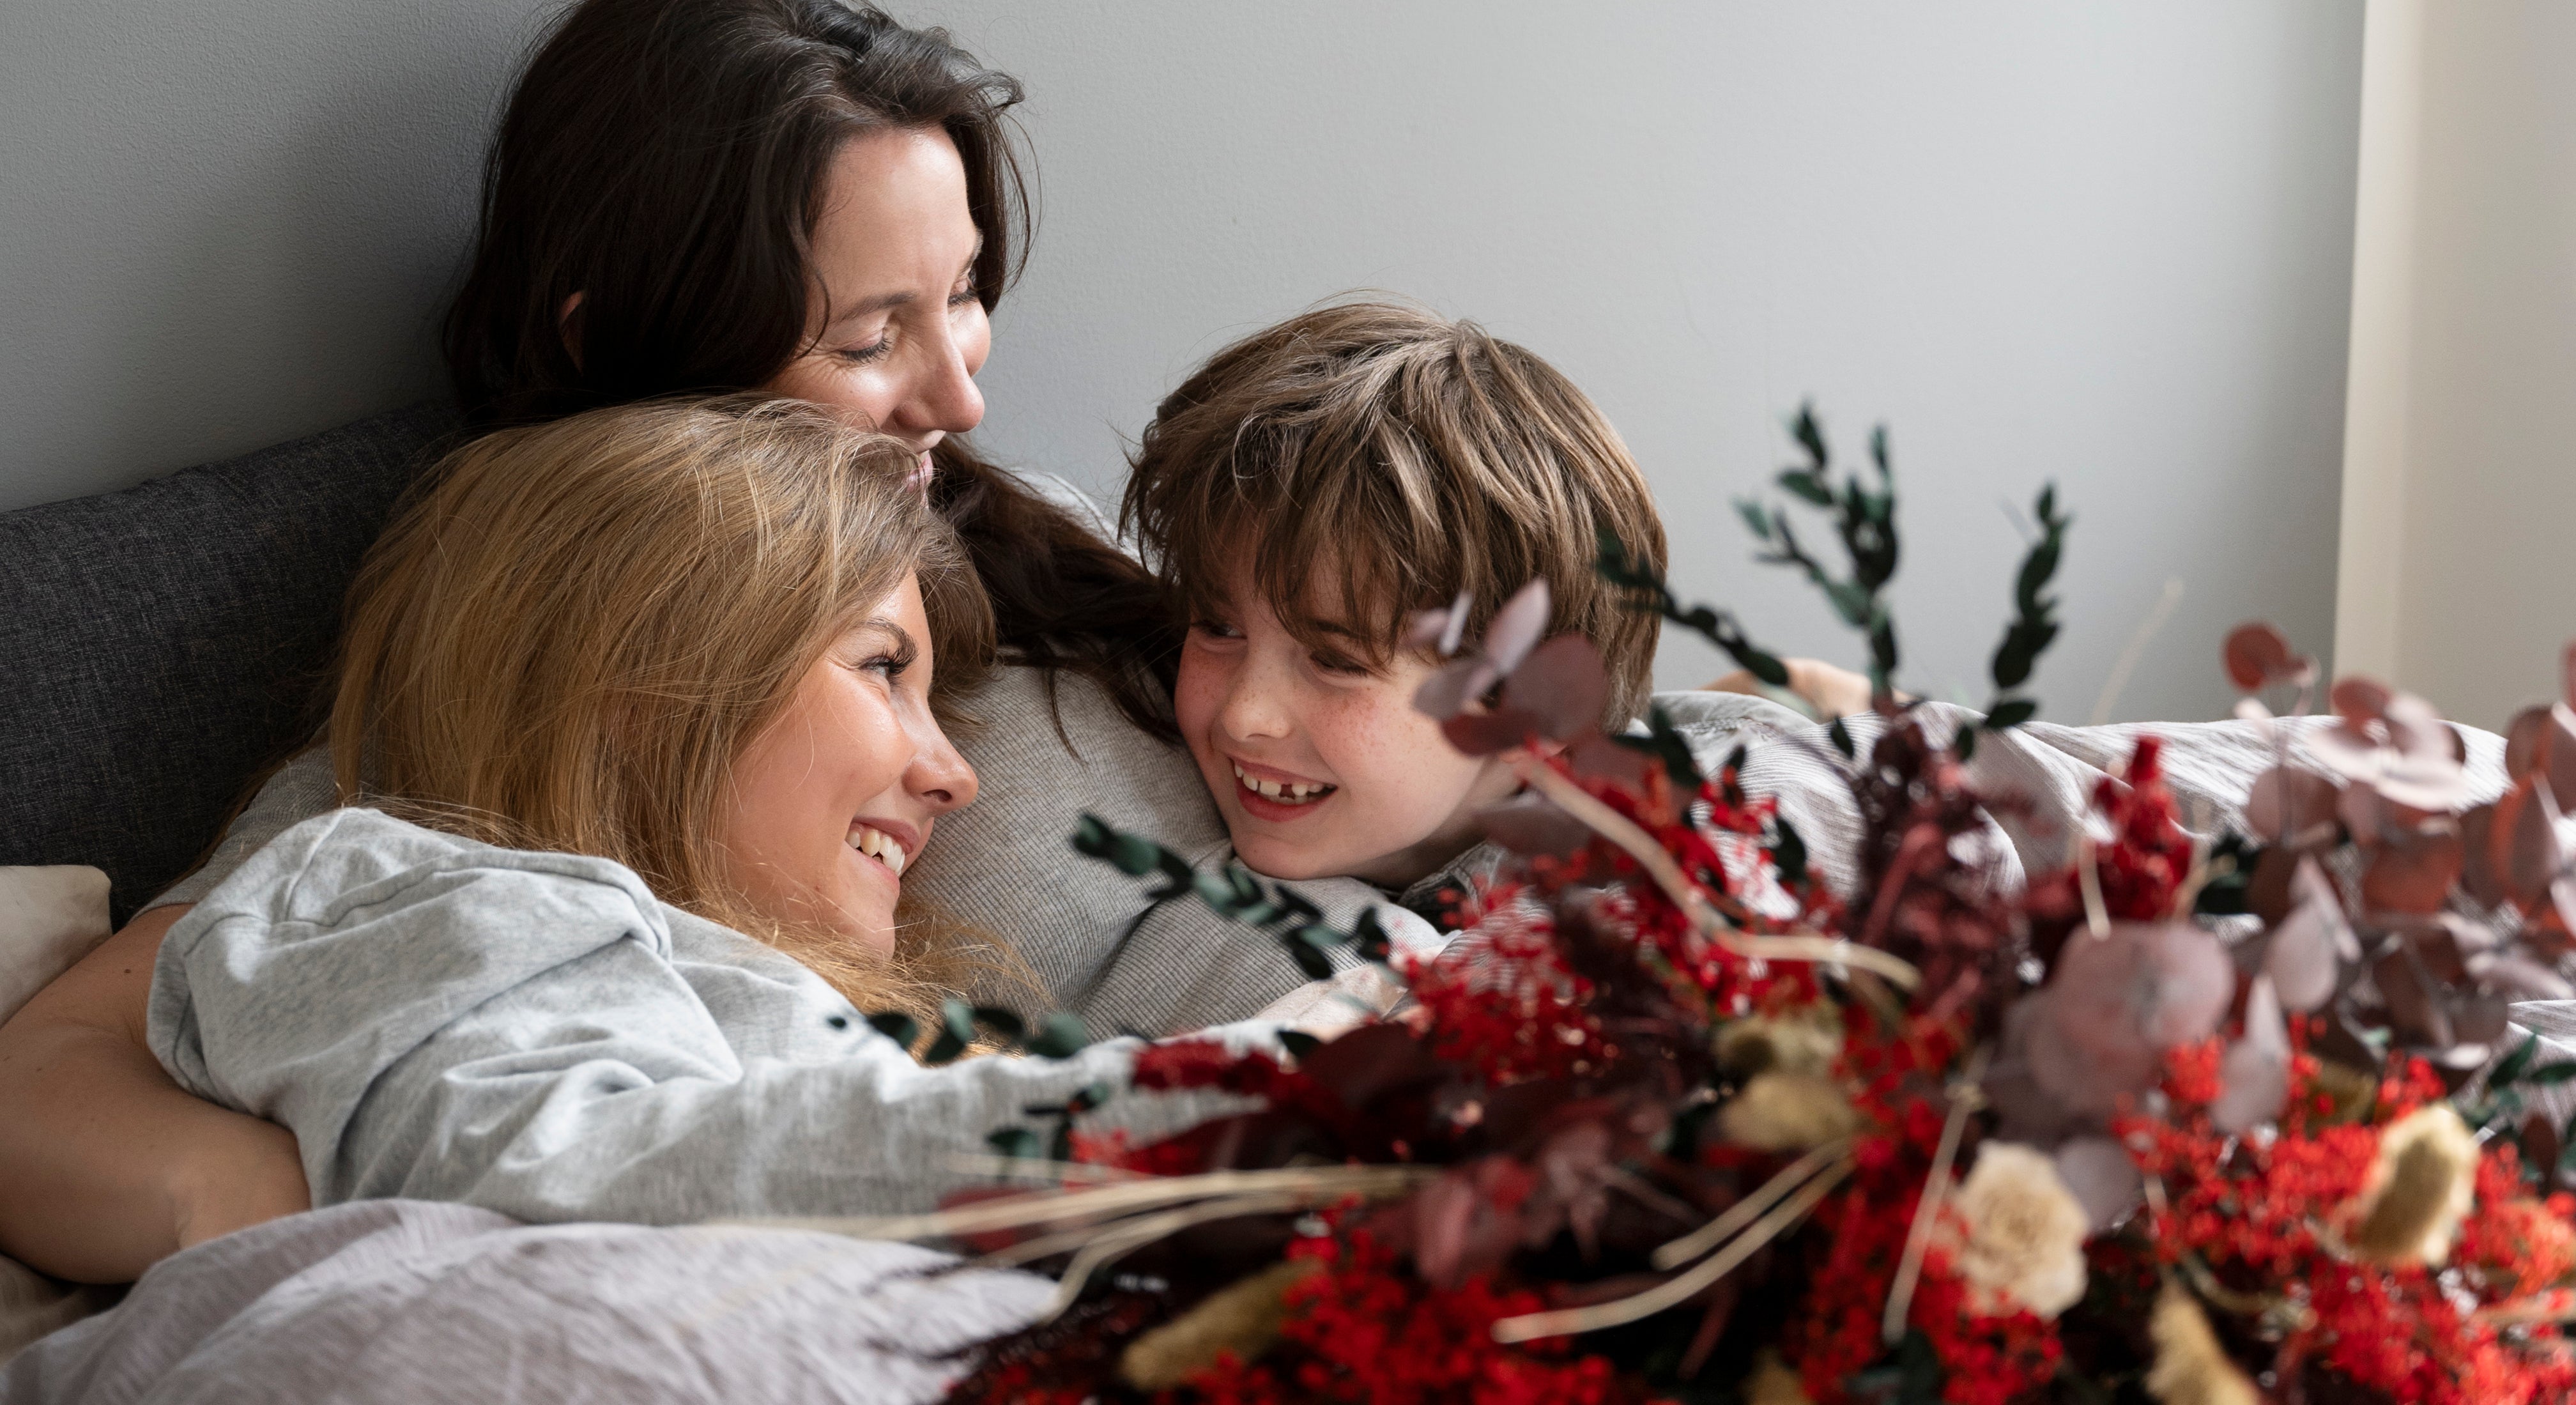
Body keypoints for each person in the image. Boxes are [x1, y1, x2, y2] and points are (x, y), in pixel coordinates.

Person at [31, 399, 1249, 1284]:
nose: (957, 776)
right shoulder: (418, 896)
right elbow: (593, 1176)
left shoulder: (788, 1000)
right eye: (885, 670)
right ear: (648, 687)